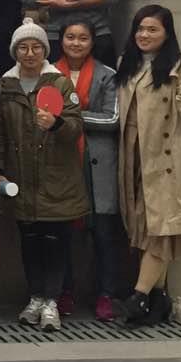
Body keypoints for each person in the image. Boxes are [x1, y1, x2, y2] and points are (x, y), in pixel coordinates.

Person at [115, 5, 181, 326]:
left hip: (166, 158)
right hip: (133, 155)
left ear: (167, 33)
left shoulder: (179, 63)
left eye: (152, 29)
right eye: (140, 29)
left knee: (161, 228)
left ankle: (139, 295)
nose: (144, 35)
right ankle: (159, 300)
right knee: (146, 227)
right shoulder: (126, 62)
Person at [0, 19, 87, 333]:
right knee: (29, 243)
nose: (29, 53)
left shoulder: (60, 84)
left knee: (56, 243)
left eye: (35, 47)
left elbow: (76, 128)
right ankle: (35, 297)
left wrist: (56, 124)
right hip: (20, 178)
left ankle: (52, 301)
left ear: (44, 51)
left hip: (56, 179)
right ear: (15, 51)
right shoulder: (5, 86)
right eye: (23, 47)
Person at [55, 19, 121, 321]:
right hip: (62, 161)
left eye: (83, 38)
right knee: (64, 235)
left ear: (93, 42)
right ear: (61, 40)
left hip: (99, 165)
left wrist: (69, 118)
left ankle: (107, 294)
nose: (76, 43)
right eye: (70, 37)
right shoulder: (48, 74)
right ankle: (64, 290)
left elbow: (112, 119)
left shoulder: (108, 75)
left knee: (104, 234)